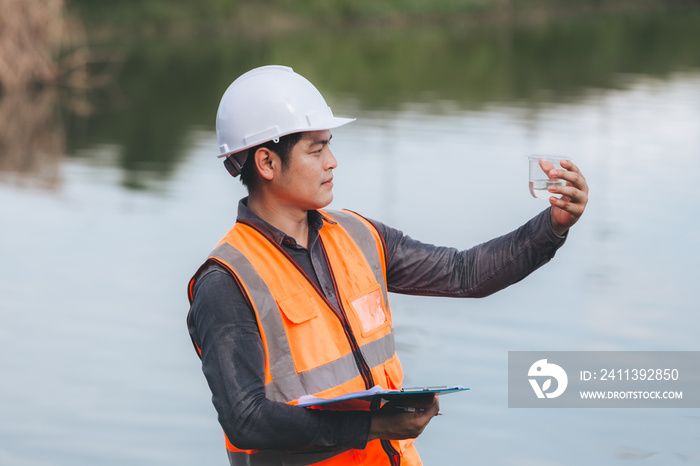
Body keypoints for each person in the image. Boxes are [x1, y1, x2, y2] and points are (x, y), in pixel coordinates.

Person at [187, 65, 589, 466]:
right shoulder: (226, 282)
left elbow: (465, 273)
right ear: (267, 163)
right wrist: (373, 427)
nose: (333, 162)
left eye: (329, 145)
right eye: (316, 149)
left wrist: (553, 226)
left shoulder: (359, 236)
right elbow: (247, 420)